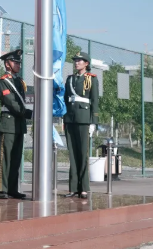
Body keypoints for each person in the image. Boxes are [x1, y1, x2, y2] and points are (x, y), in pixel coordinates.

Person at [0, 49, 32, 199]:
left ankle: (12, 189)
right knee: (5, 157)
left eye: (19, 62)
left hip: (19, 124)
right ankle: (2, 189)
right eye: (15, 62)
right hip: (8, 123)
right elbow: (11, 103)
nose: (18, 65)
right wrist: (29, 113)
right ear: (7, 64)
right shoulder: (4, 82)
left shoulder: (19, 81)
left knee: (16, 158)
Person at [63, 51, 99, 199]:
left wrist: (93, 122)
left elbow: (95, 101)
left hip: (84, 119)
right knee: (72, 154)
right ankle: (73, 187)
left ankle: (83, 187)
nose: (77, 62)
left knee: (83, 153)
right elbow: (66, 98)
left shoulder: (91, 79)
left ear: (86, 63)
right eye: (75, 60)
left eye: (80, 60)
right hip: (70, 118)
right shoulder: (70, 79)